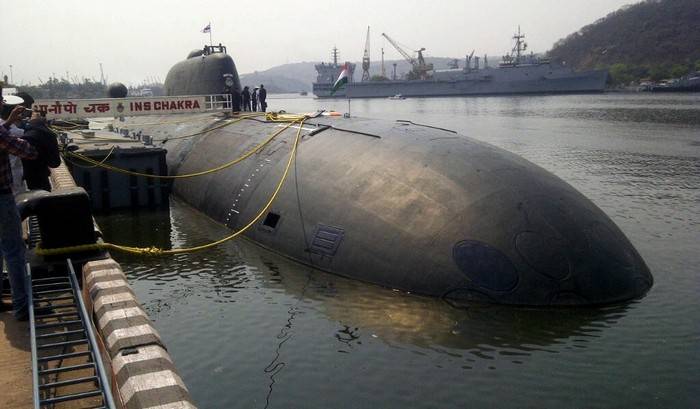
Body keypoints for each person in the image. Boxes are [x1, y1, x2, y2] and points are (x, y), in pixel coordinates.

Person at [0, 91, 38, 321]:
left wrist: (9, 122)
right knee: (14, 251)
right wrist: (35, 129)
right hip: (2, 196)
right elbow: (27, 151)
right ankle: (23, 308)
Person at [20, 112, 61, 191]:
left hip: (19, 180)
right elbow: (54, 163)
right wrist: (38, 124)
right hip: (37, 181)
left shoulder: (9, 132)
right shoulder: (37, 136)